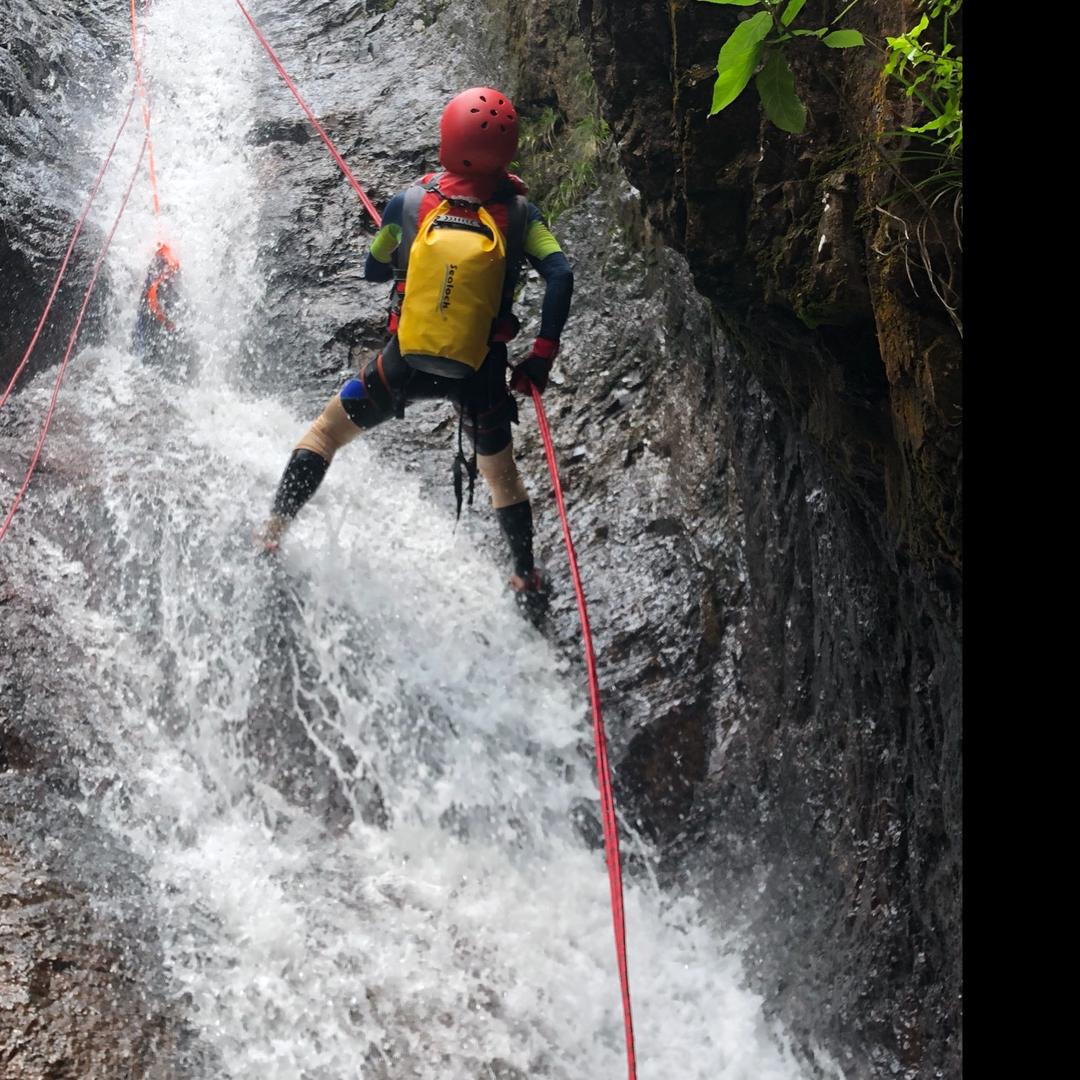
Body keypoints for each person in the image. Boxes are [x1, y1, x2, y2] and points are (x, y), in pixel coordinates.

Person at [258, 86, 573, 603]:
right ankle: (523, 576)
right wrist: (539, 357)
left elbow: (372, 269)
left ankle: (271, 535)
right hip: (481, 374)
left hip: (402, 365)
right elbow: (560, 276)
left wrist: (397, 243)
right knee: (501, 476)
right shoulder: (521, 217)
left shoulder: (408, 202)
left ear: (448, 139)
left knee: (324, 435)